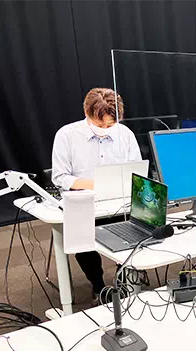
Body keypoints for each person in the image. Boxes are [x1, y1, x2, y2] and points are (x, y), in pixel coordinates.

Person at [52, 87, 141, 299]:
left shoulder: (125, 134)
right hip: (84, 202)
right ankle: (99, 286)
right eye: (100, 125)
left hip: (119, 202)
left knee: (139, 231)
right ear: (87, 113)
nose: (105, 129)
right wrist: (94, 184)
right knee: (83, 241)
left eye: (110, 125)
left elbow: (137, 171)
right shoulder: (67, 135)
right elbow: (60, 177)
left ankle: (124, 281)